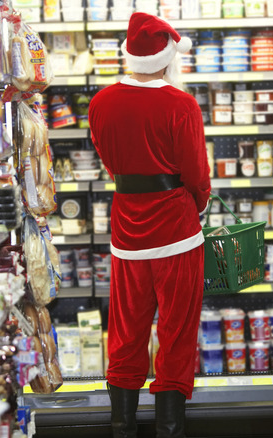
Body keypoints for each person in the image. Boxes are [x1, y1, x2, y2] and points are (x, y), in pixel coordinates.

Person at [87, 12, 211, 438]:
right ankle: (169, 427)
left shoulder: (101, 102)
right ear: (168, 57)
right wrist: (196, 204)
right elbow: (197, 174)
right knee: (176, 332)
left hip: (127, 227)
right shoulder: (181, 105)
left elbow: (108, 160)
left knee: (125, 330)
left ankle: (122, 425)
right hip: (176, 231)